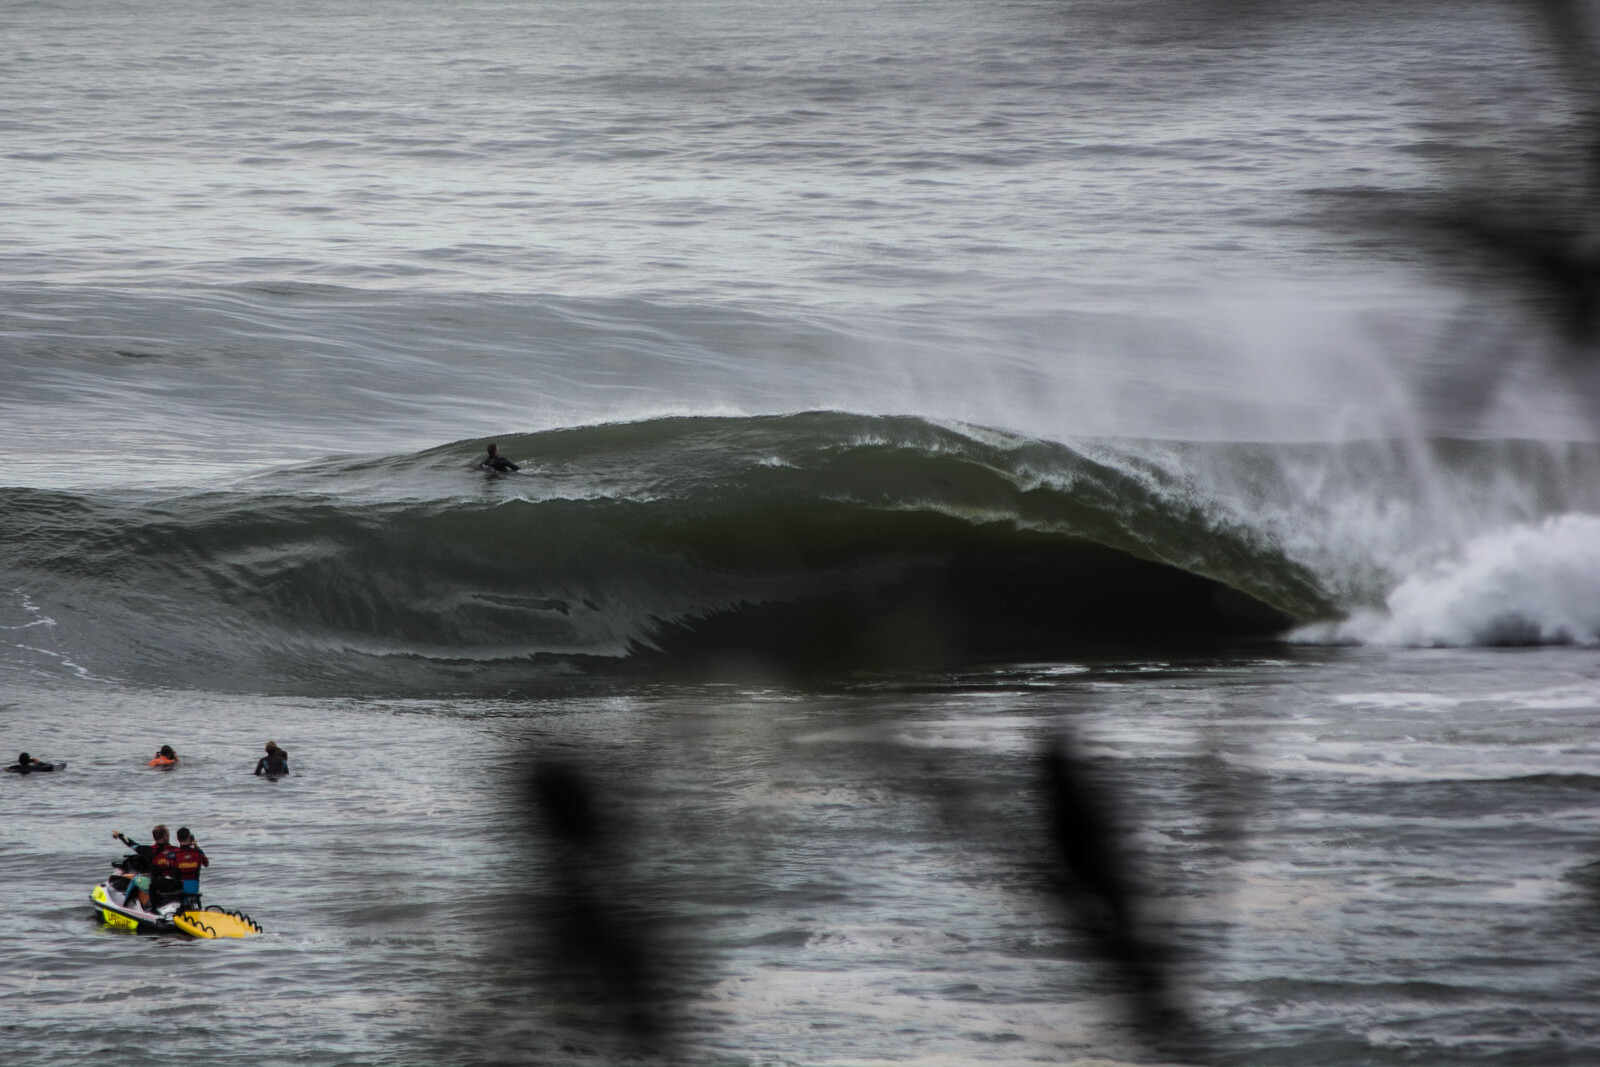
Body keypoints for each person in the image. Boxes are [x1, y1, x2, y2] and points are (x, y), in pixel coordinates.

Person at [113, 825, 177, 911]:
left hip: (157, 884)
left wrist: (120, 835)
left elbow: (131, 844)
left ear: (155, 837)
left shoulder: (148, 850)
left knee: (135, 880)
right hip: (173, 883)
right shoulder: (175, 850)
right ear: (166, 836)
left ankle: (124, 906)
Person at [171, 827, 209, 908]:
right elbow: (206, 863)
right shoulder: (197, 853)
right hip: (194, 885)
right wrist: (196, 846)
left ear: (178, 839)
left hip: (178, 887)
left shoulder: (174, 854)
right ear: (189, 838)